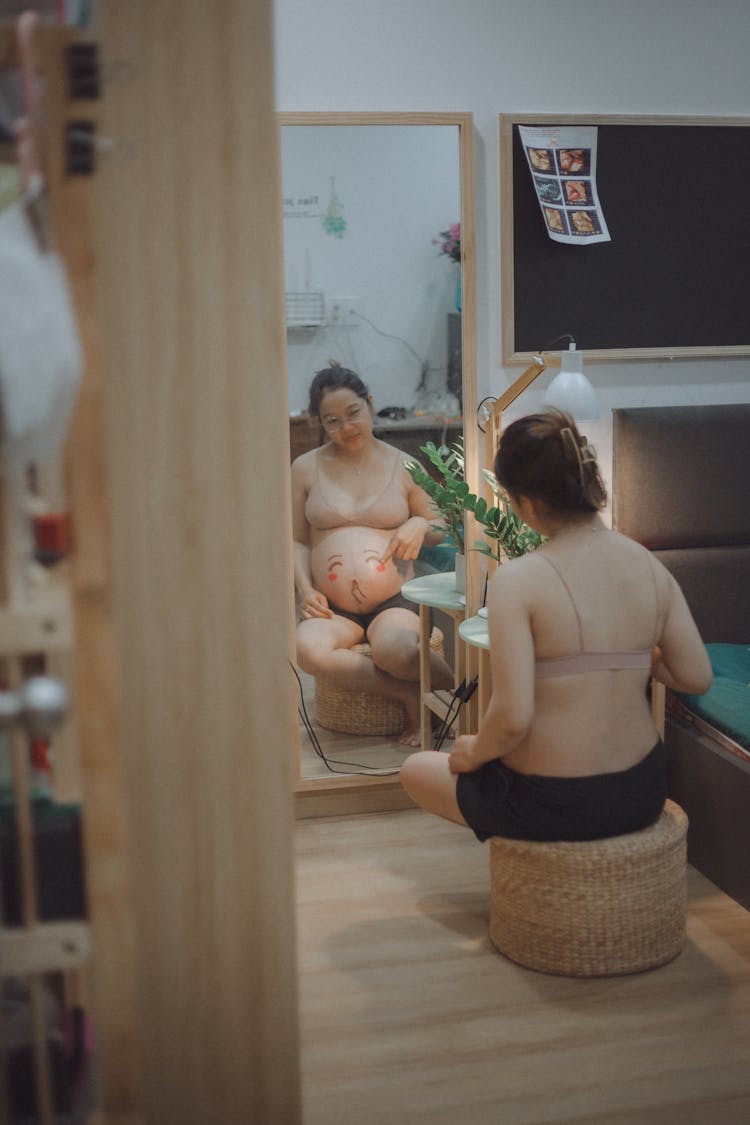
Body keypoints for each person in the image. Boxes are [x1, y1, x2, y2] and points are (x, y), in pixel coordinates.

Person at [400, 409, 712, 841]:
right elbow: (696, 676)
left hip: (555, 802)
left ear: (526, 502)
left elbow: (512, 718)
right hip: (643, 790)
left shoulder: (517, 580)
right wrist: (641, 656)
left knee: (417, 769)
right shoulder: (650, 567)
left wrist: (474, 754)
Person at [292, 362, 455, 747]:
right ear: (321, 423)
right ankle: (405, 695)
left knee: (397, 651)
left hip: (395, 600)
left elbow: (443, 525)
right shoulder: (304, 468)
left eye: (353, 414)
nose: (346, 427)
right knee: (306, 649)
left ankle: (464, 690)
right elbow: (296, 540)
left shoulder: (405, 465)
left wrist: (419, 524)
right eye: (332, 421)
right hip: (333, 606)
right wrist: (304, 590)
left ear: (370, 403)